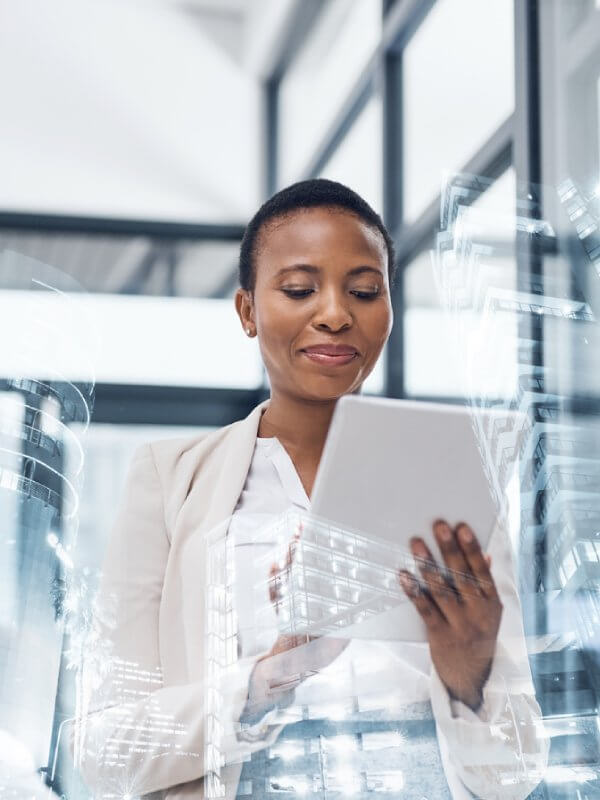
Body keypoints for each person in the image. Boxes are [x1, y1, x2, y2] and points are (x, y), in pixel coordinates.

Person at [74, 179, 547, 800]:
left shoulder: (454, 485)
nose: (334, 313)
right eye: (299, 289)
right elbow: (106, 754)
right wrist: (268, 678)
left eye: (365, 291)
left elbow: (517, 773)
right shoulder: (171, 481)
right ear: (247, 311)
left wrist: (472, 677)